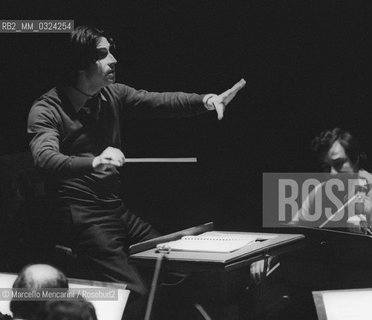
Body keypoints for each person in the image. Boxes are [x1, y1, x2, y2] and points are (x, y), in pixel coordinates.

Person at [27, 25, 246, 319]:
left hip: (114, 209)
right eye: (102, 55)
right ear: (79, 63)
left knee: (175, 266)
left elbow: (156, 101)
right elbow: (44, 158)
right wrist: (93, 161)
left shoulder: (111, 94)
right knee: (137, 294)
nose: (113, 60)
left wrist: (205, 100)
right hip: (81, 216)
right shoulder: (47, 109)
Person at [299, 128, 372, 272]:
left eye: (339, 164)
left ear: (355, 159)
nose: (332, 174)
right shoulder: (319, 192)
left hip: (371, 283)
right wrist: (269, 255)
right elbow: (294, 231)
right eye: (326, 167)